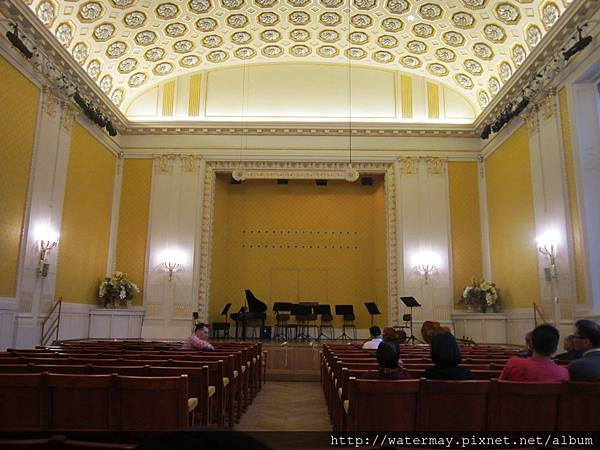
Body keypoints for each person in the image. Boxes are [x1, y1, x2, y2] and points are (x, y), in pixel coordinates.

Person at [500, 324, 568, 382]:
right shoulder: (563, 373)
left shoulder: (513, 363)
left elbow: (498, 387)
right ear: (555, 349)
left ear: (531, 344)